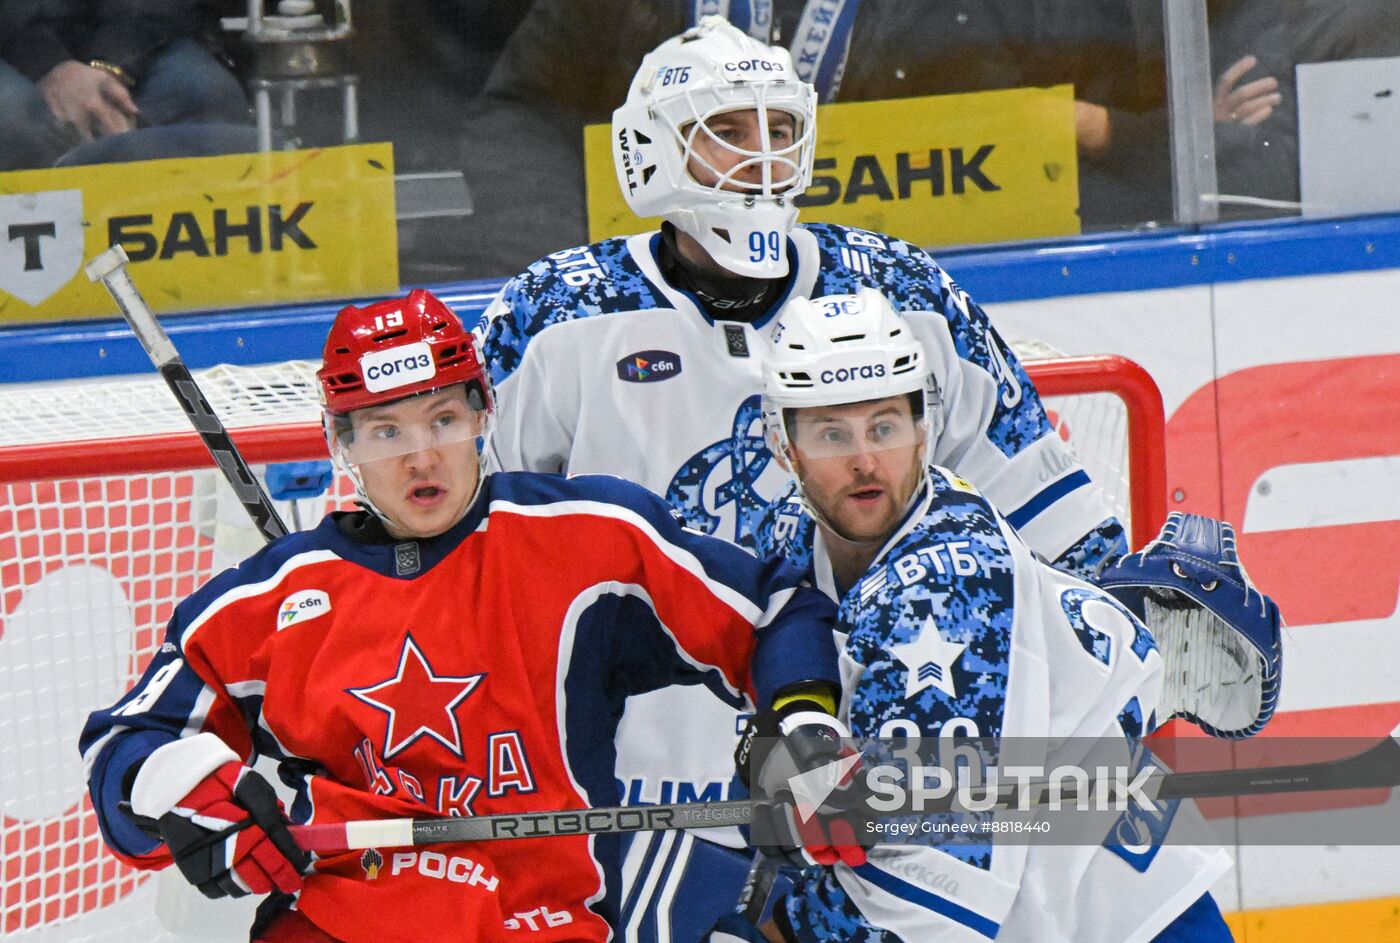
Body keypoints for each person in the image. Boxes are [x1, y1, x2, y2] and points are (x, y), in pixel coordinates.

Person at [476, 17, 1138, 940]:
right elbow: (450, 546)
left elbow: (1050, 514)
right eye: (729, 131)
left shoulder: (901, 292)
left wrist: (1131, 633)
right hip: (634, 788)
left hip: (858, 771)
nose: (762, 159)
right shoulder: (551, 316)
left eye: (779, 130)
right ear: (652, 150)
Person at [78, 289, 846, 942]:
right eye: (386, 431)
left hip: (550, 919)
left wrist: (805, 720)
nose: (422, 456)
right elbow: (127, 744)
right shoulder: (270, 601)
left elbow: (776, 609)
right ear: (339, 442)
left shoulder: (588, 539)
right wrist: (177, 785)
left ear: (485, 411)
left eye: (442, 418)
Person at [727, 287, 1234, 942]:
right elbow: (778, 617)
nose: (863, 460)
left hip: (1121, 919)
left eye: (884, 426)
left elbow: (929, 900)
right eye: (831, 433)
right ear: (783, 442)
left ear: (923, 429)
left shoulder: (950, 585)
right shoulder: (793, 537)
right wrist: (800, 725)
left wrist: (775, 922)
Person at [0, 0, 249, 171]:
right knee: (17, 123)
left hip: (130, 33)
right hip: (12, 40)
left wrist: (112, 65)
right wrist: (49, 65)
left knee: (208, 96)